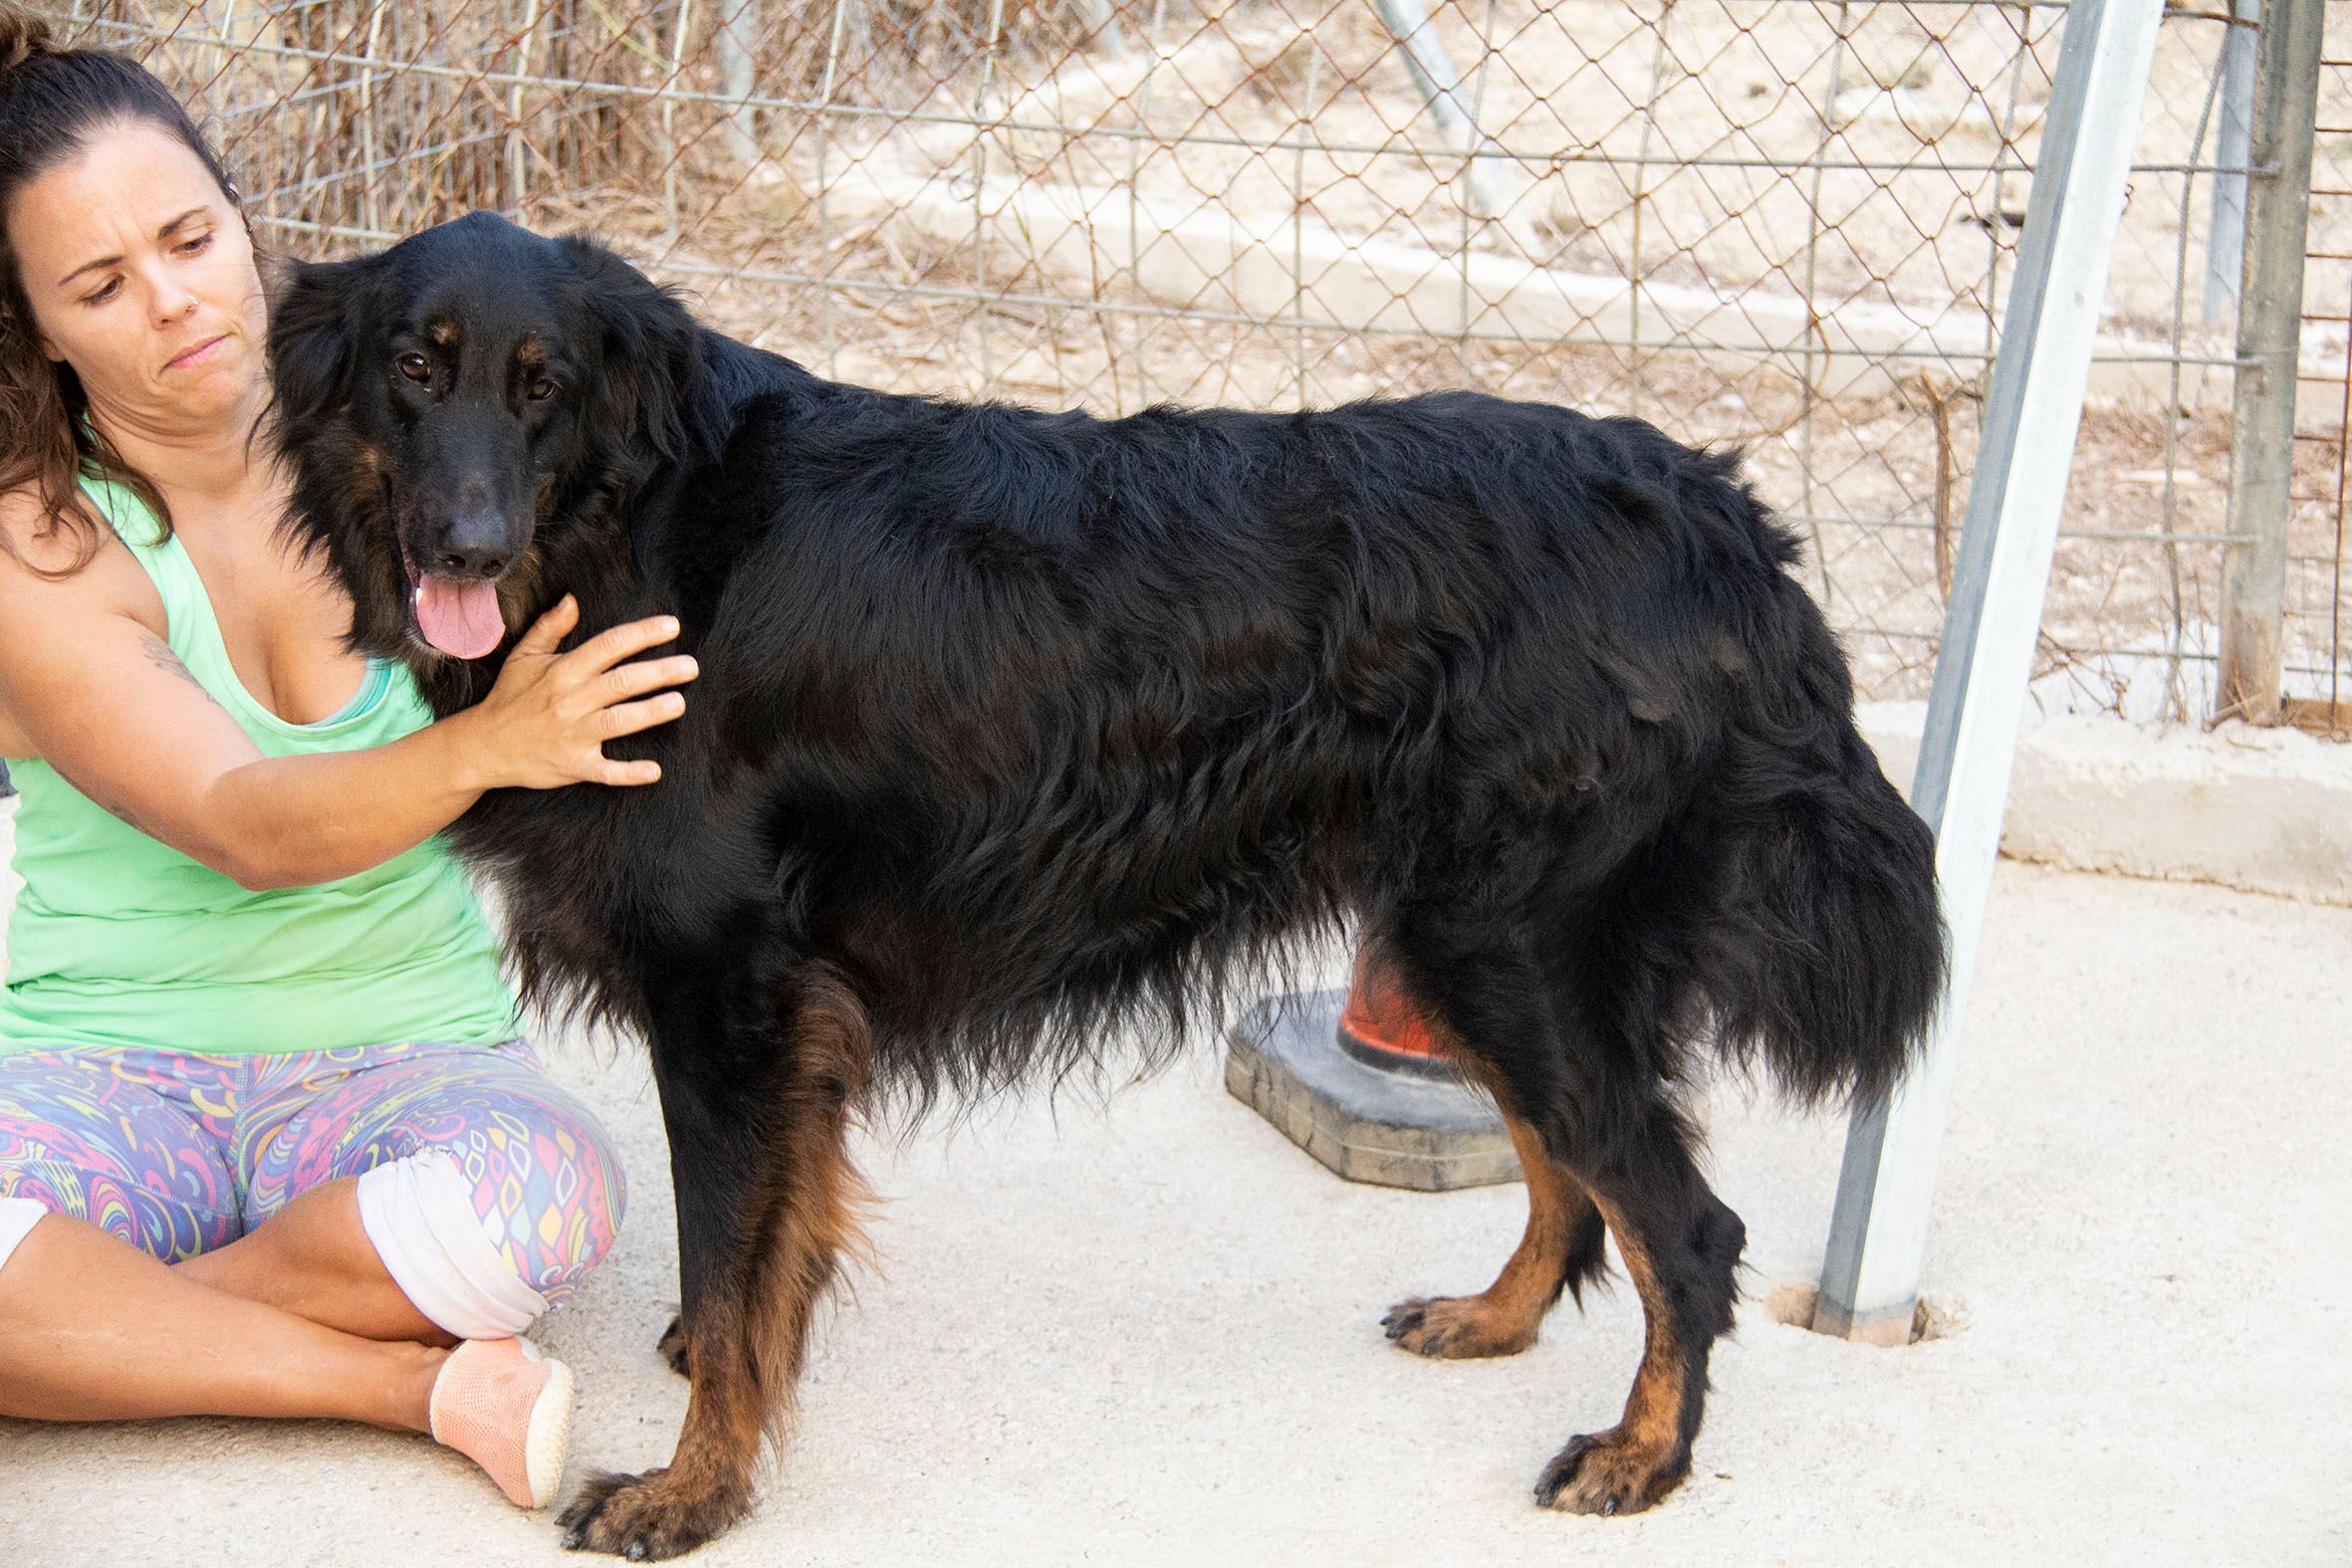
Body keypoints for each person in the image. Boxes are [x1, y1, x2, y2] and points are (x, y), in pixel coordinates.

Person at [0, 9, 700, 1510]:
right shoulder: (34, 540)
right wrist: (498, 743)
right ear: (36, 327)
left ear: (239, 215)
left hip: (403, 1054)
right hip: (108, 1067)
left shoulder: (417, 435)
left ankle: (95, 1322)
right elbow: (242, 821)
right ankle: (404, 1384)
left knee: (550, 1204)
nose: (175, 302)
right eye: (100, 286)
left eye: (190, 238)